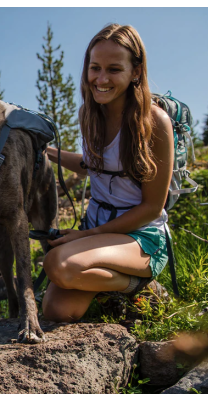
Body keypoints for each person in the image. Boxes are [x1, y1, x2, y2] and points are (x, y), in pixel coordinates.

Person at [42, 23, 173, 323]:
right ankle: (123, 285)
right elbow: (93, 166)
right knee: (57, 311)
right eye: (95, 68)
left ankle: (140, 284)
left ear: (136, 71)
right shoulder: (88, 114)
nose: (101, 79)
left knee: (59, 265)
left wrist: (87, 235)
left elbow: (152, 207)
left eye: (114, 69)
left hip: (139, 236)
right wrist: (45, 150)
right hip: (99, 228)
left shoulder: (155, 123)